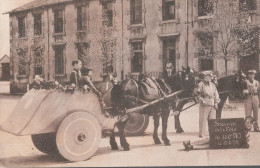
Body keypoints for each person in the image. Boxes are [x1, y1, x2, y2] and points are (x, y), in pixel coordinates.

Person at [196, 71, 220, 138]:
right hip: (204, 104)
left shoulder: (212, 84)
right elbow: (198, 95)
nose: (209, 77)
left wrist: (216, 102)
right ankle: (202, 135)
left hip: (212, 104)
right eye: (207, 76)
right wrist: (202, 100)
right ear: (204, 77)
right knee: (203, 120)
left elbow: (216, 94)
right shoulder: (200, 85)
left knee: (212, 120)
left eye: (210, 76)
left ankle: (212, 134)